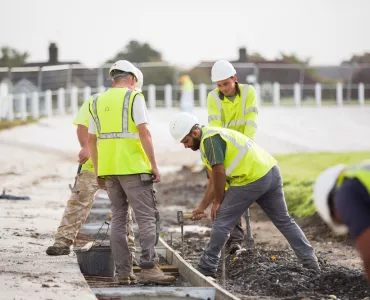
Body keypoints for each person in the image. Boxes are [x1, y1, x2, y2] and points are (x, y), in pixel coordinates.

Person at [169, 112, 320, 278]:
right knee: (284, 220)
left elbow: (219, 174)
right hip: (270, 171)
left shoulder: (210, 141)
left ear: (195, 133)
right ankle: (311, 263)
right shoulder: (213, 137)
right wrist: (202, 206)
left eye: (186, 141)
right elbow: (213, 180)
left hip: (250, 179)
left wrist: (218, 201)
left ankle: (206, 267)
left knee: (222, 220)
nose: (185, 146)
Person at [88, 60, 175, 285]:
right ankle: (149, 268)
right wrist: (154, 165)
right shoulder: (134, 97)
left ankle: (124, 272)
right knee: (146, 218)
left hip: (109, 170)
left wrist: (99, 171)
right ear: (133, 79)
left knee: (118, 218)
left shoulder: (95, 100)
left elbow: (91, 139)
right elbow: (144, 132)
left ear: (113, 78)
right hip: (134, 168)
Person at [45, 74, 141, 258]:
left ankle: (128, 252)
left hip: (119, 165)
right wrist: (85, 147)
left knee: (122, 210)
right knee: (78, 203)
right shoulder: (96, 101)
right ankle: (62, 243)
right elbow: (82, 126)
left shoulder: (134, 103)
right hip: (94, 165)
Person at [205, 59, 259, 253]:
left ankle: (235, 237)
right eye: (219, 85)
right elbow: (216, 127)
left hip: (245, 147)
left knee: (240, 191)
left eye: (226, 84)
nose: (223, 89)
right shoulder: (213, 97)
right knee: (223, 191)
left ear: (235, 79)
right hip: (224, 151)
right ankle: (234, 238)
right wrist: (222, 158)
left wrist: (246, 148)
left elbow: (251, 122)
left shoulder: (248, 92)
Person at [314, 160, 370, 281]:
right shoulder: (360, 176)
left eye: (341, 221)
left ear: (333, 208)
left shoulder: (345, 194)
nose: (346, 223)